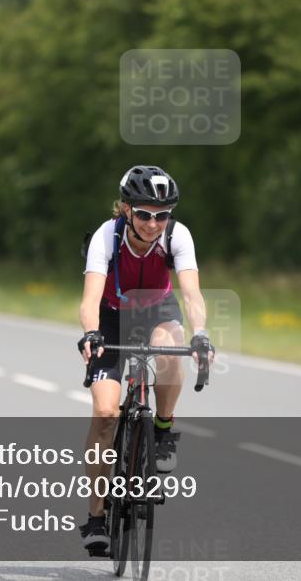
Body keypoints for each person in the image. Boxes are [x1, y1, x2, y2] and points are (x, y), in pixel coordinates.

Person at [76, 165, 215, 551]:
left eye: (162, 215)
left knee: (171, 351)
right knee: (105, 414)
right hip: (111, 317)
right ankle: (96, 517)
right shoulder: (106, 236)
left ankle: (163, 429)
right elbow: (89, 300)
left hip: (157, 309)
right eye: (143, 214)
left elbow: (191, 294)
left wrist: (201, 333)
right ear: (126, 209)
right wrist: (91, 334)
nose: (153, 224)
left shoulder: (177, 235)